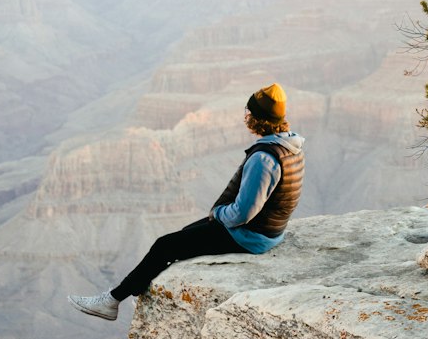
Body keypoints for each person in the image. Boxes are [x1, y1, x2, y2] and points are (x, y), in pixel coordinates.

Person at [68, 82, 305, 321]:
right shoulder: (289, 145)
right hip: (270, 230)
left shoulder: (263, 158)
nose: (246, 117)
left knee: (164, 245)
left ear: (257, 118)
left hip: (251, 237)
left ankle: (111, 301)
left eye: (249, 112)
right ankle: (135, 287)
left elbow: (243, 213)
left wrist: (220, 213)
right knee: (184, 236)